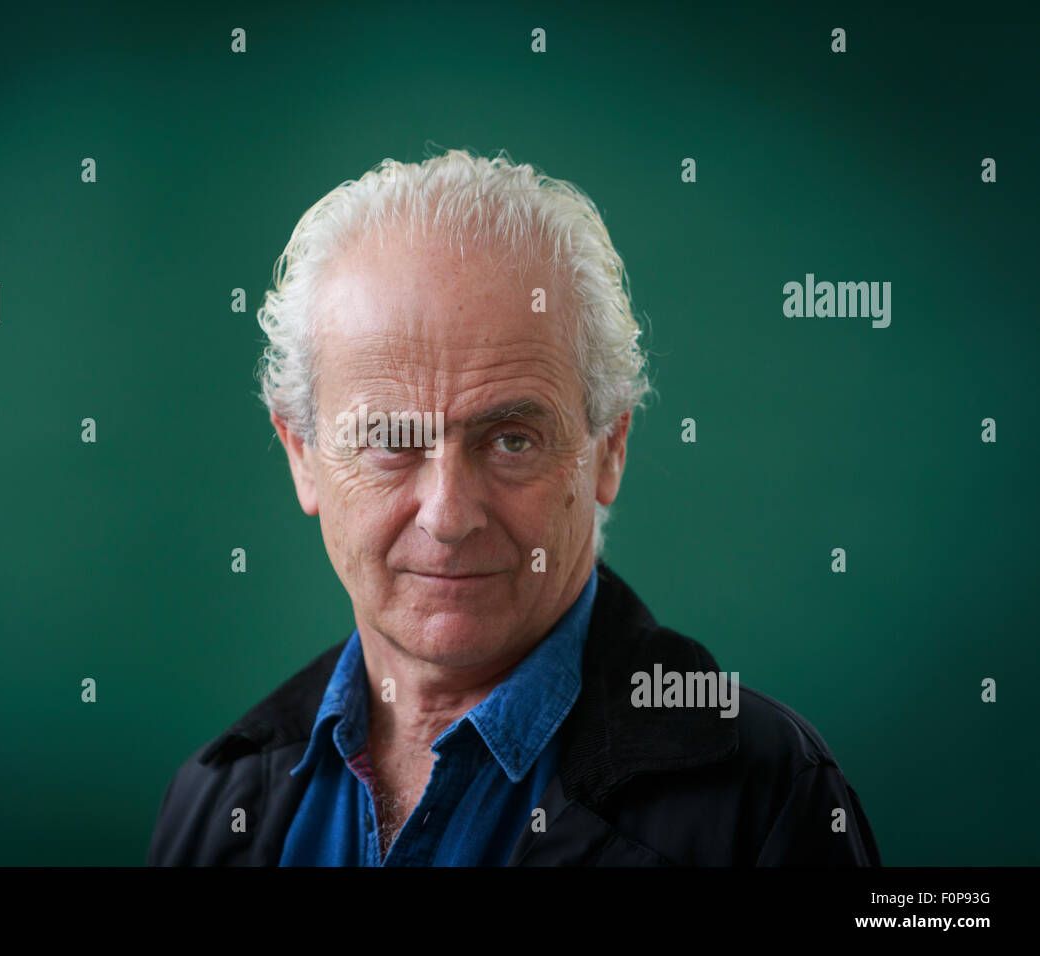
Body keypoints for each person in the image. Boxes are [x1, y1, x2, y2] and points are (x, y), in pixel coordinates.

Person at [147, 149, 880, 866]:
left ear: (609, 448)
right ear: (302, 454)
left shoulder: (770, 802)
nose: (448, 515)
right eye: (392, 442)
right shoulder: (213, 802)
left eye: (512, 440)